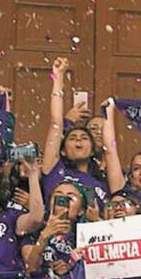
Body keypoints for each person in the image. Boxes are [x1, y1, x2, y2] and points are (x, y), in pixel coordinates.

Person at [41, 58, 108, 207]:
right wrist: (58, 77)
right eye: (72, 138)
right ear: (63, 151)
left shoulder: (102, 184)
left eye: (84, 137)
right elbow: (56, 123)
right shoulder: (54, 170)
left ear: (92, 150)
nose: (78, 140)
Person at [23, 181, 96, 276]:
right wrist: (44, 236)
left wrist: (70, 265)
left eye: (70, 198)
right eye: (58, 196)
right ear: (50, 203)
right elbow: (30, 268)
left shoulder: (86, 237)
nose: (62, 201)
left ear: (81, 210)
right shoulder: (33, 230)